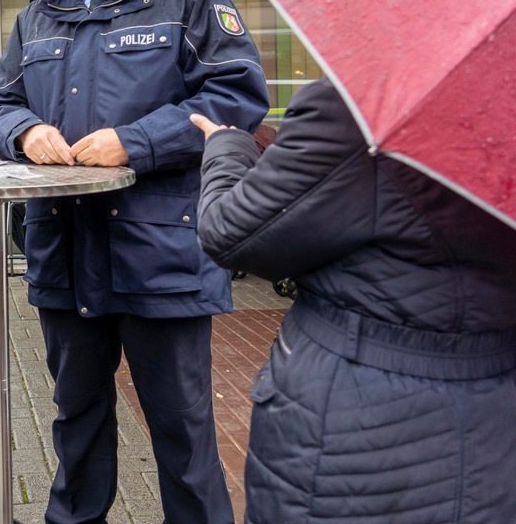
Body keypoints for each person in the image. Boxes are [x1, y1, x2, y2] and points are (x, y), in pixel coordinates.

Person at [0, 0, 269, 524]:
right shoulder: (37, 17)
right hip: (66, 256)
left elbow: (237, 96)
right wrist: (24, 133)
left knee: (184, 434)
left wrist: (134, 142)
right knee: (76, 424)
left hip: (159, 255)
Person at [191, 80, 516, 524]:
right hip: (495, 414)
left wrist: (227, 148)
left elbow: (233, 235)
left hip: (354, 425)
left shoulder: (363, 104)